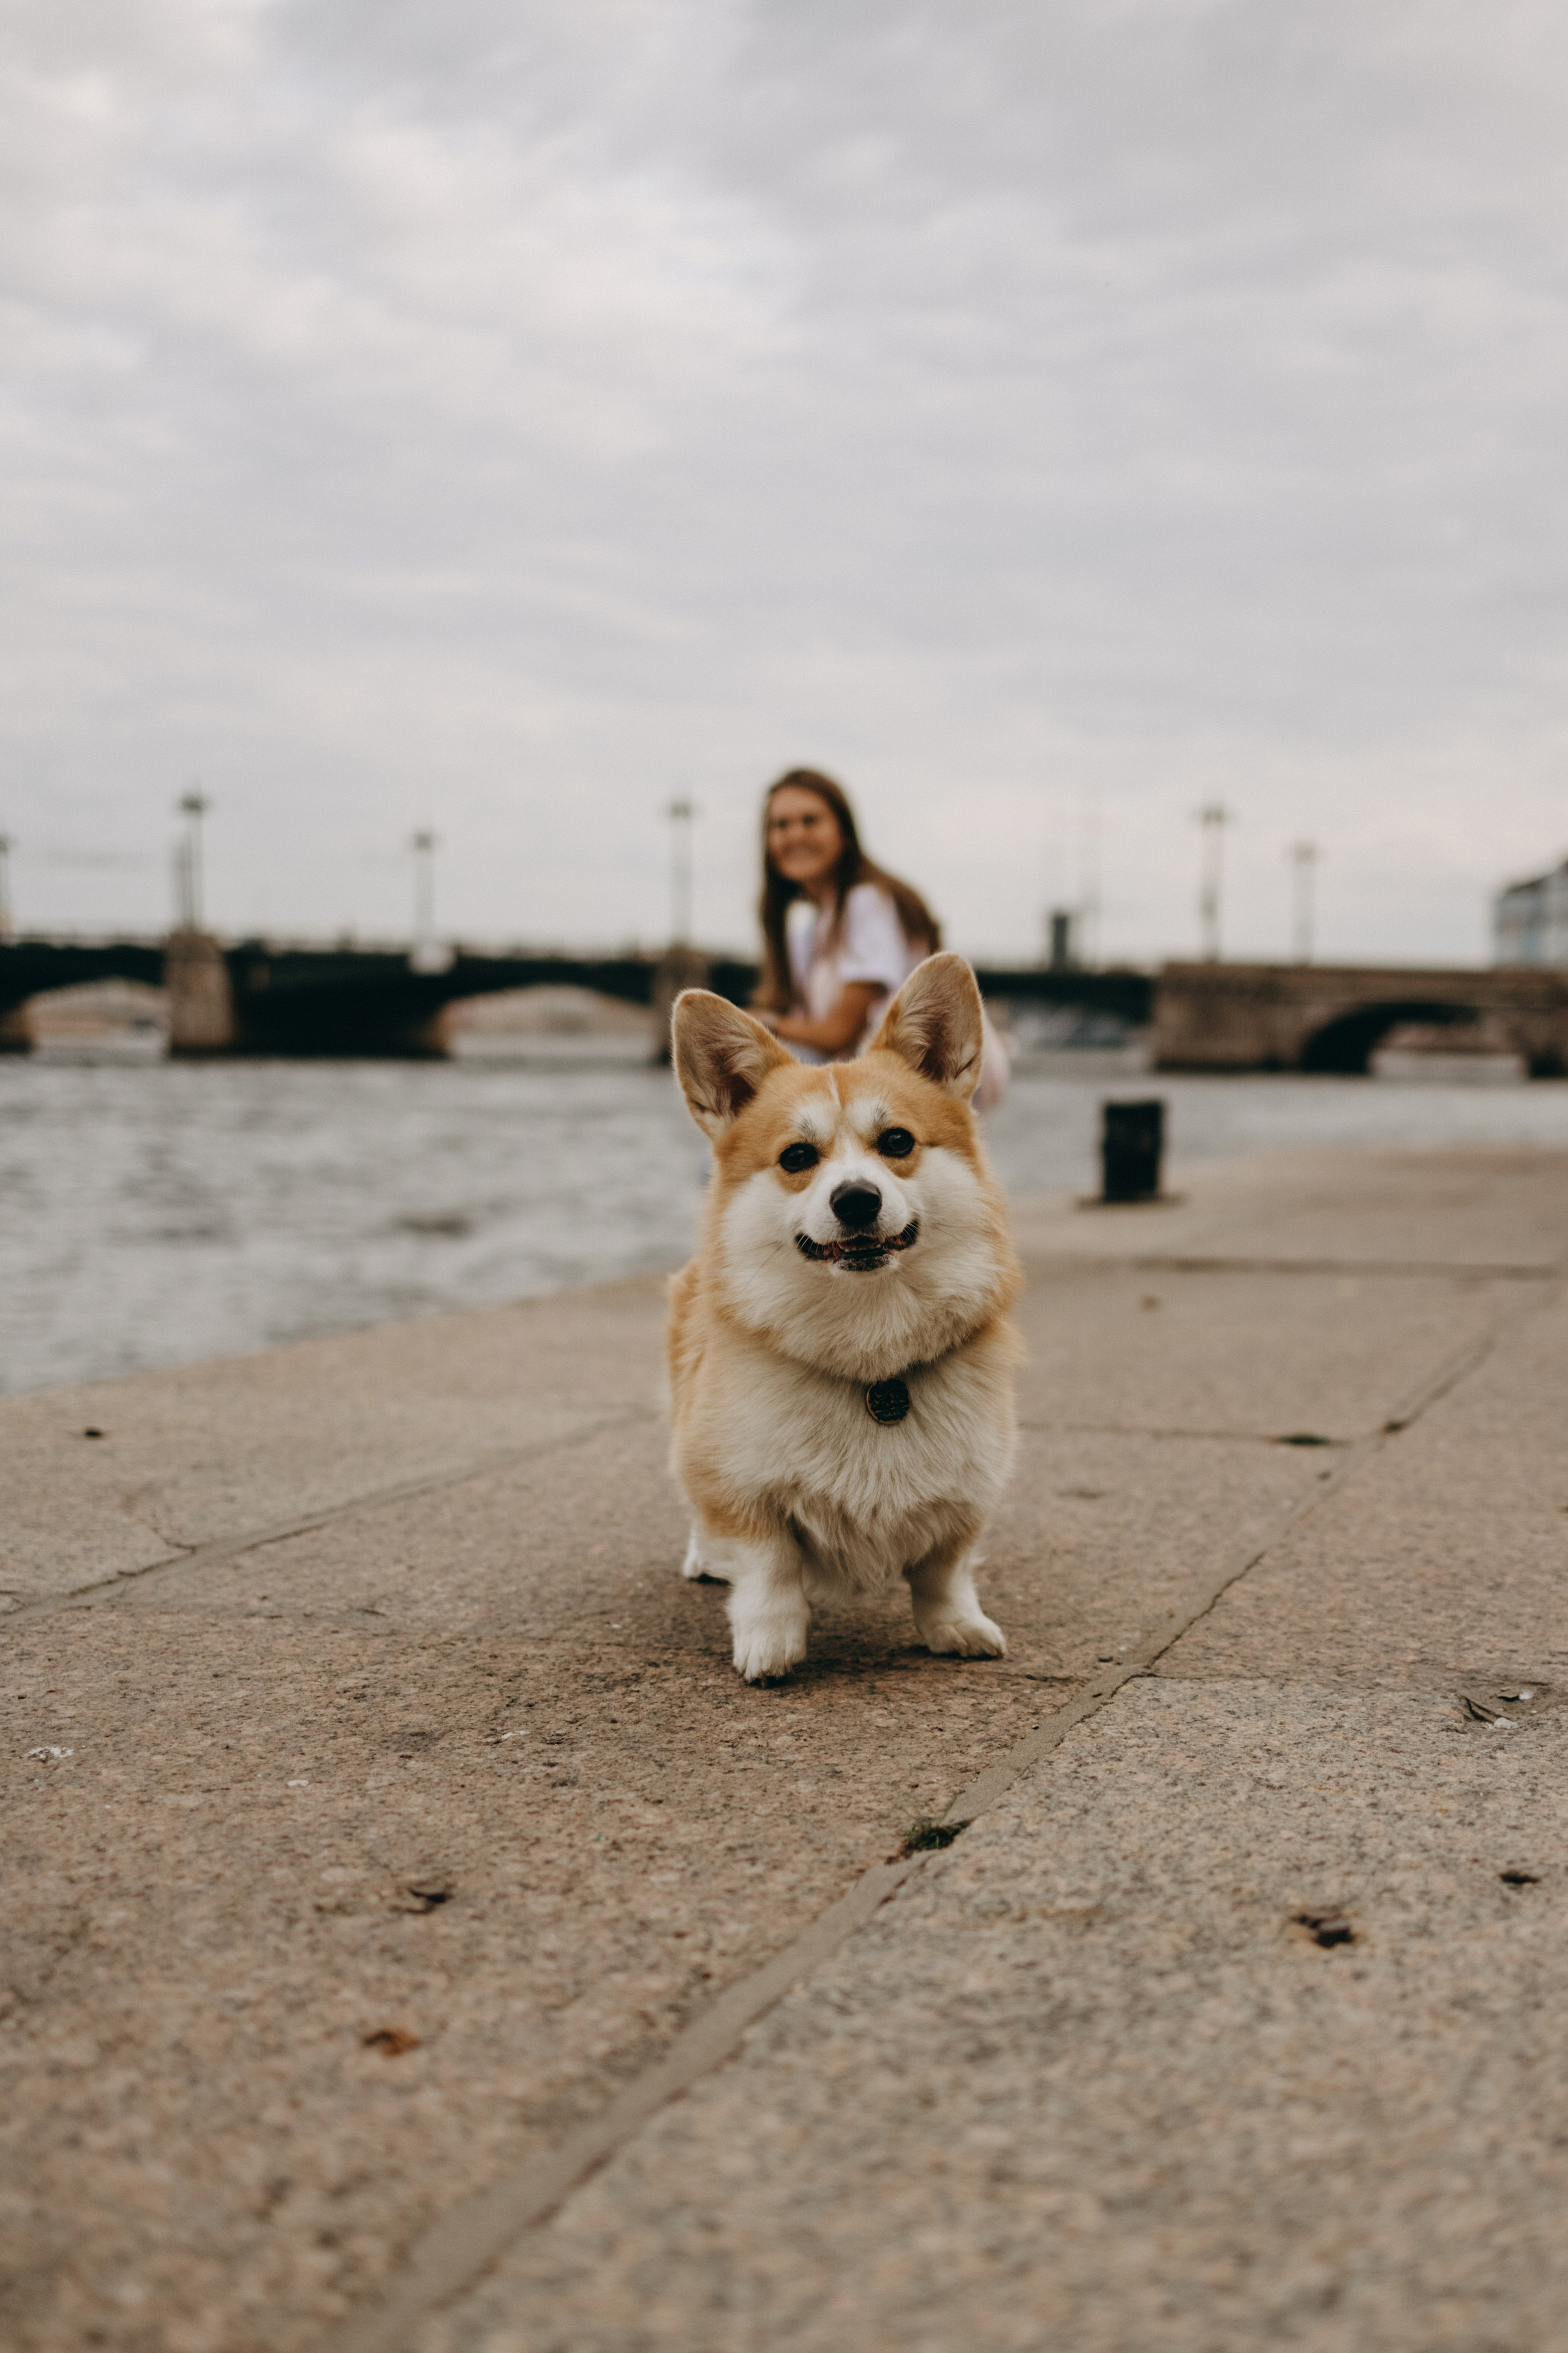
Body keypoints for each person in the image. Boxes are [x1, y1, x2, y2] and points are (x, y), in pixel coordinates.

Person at [753, 767, 1009, 1105]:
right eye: (781, 825)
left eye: (810, 821)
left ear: (844, 833)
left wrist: (763, 1023)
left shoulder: (868, 903)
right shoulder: (807, 931)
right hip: (880, 1085)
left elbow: (839, 1033)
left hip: (933, 1077)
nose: (795, 835)